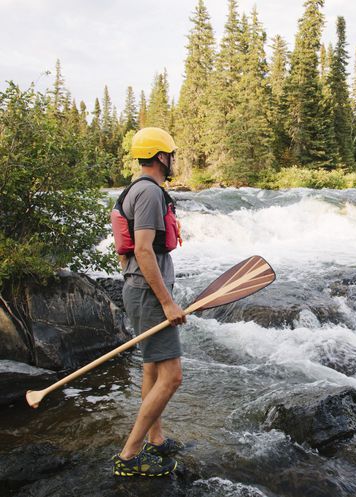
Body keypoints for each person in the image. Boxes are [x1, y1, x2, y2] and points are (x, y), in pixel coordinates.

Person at [111, 127, 187, 477]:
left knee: (152, 368)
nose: (173, 160)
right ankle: (129, 455)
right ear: (160, 157)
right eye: (170, 154)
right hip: (147, 292)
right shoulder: (150, 193)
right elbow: (143, 249)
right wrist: (168, 302)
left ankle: (155, 439)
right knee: (171, 377)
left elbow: (134, 251)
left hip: (139, 289)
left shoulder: (137, 190)